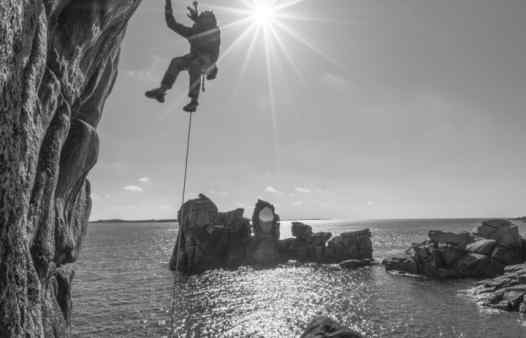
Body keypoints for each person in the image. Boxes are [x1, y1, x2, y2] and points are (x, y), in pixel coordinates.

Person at [145, 0, 220, 112]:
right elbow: (172, 24)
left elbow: (207, 33)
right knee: (176, 62)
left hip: (208, 60)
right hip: (196, 58)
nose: (204, 19)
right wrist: (168, 5)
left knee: (195, 64)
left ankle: (194, 101)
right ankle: (162, 90)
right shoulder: (193, 32)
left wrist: (197, 19)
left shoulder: (215, 30)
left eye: (206, 17)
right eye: (204, 17)